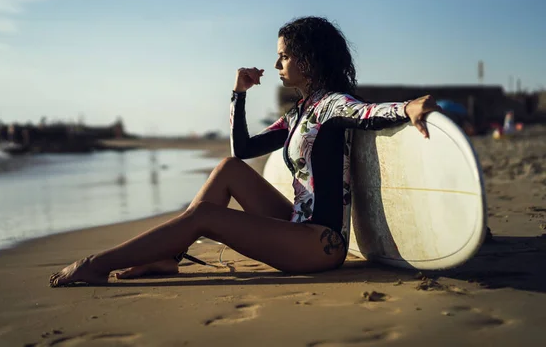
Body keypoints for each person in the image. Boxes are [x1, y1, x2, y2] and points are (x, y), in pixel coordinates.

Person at [49, 16, 440, 287]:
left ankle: (95, 265)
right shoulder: (300, 112)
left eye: (284, 56)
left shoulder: (333, 104)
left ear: (308, 59)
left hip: (320, 245)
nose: (276, 64)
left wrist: (406, 108)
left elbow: (367, 113)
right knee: (228, 169)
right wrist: (238, 95)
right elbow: (243, 149)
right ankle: (167, 256)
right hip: (296, 225)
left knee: (205, 215)